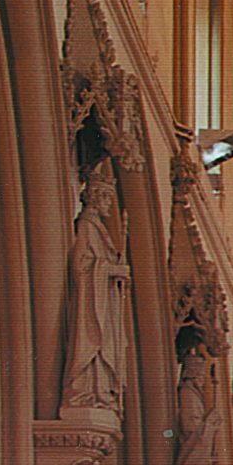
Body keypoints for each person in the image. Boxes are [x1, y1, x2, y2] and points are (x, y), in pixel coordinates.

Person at [62, 163, 130, 414]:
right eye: (107, 198)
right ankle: (88, 392)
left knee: (106, 350)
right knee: (94, 346)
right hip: (92, 308)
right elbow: (82, 266)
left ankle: (101, 393)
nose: (109, 205)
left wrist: (115, 270)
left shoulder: (99, 230)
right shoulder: (87, 226)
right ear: (96, 197)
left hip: (104, 307)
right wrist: (112, 270)